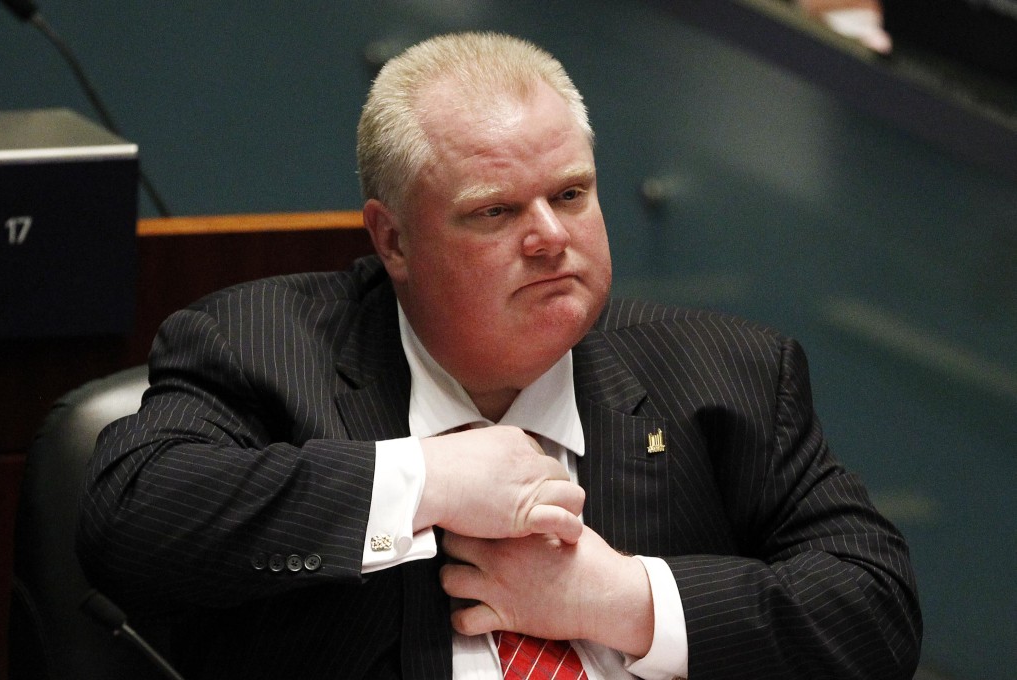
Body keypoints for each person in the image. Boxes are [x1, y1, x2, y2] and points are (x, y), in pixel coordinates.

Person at [77, 31, 921, 679]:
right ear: (394, 238)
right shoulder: (262, 346)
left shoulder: (724, 375)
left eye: (570, 194)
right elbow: (130, 514)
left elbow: (875, 609)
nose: (552, 237)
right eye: (495, 212)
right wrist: (424, 483)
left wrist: (629, 602)